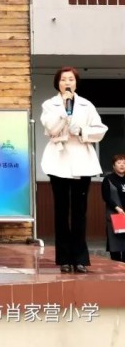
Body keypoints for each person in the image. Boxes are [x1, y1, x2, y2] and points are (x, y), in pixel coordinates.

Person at [40, 66, 107, 274]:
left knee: (80, 211)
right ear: (57, 83)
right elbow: (50, 127)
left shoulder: (87, 105)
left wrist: (82, 131)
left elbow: (100, 130)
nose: (67, 82)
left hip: (81, 161)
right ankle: (64, 259)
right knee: (61, 211)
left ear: (76, 83)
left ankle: (80, 258)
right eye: (63, 79)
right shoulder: (49, 104)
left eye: (71, 79)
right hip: (58, 159)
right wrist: (63, 108)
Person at [101, 154, 125, 262]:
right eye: (119, 163)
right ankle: (116, 264)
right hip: (115, 214)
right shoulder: (108, 179)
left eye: (124, 163)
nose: (122, 165)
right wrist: (117, 208)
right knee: (115, 242)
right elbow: (105, 196)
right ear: (114, 166)